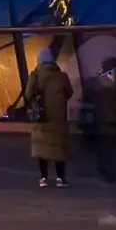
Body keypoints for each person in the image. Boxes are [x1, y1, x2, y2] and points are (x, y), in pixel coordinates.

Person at [25, 40, 76, 189]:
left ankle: (43, 178)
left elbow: (28, 95)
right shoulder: (61, 76)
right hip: (57, 118)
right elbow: (69, 92)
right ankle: (60, 177)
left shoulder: (34, 76)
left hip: (41, 117)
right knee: (58, 148)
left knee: (42, 149)